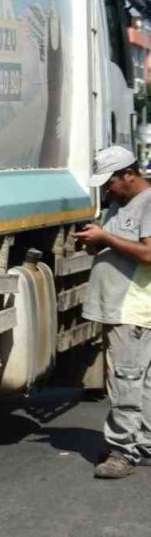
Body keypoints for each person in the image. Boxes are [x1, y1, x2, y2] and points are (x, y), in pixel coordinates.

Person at [77, 145, 151, 479]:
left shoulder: (148, 203)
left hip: (131, 307)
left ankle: (122, 452)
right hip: (122, 307)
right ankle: (143, 444)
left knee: (125, 381)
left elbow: (149, 254)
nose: (106, 187)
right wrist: (96, 240)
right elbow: (116, 243)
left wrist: (105, 236)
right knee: (140, 383)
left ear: (130, 175)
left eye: (110, 181)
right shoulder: (119, 203)